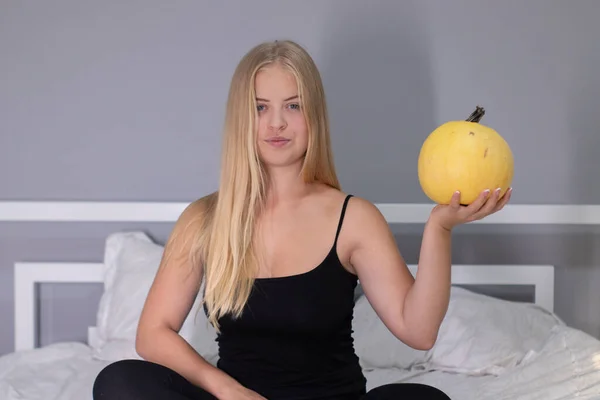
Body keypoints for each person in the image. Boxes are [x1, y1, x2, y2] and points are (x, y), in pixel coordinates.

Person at [92, 39, 511, 400]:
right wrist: (225, 389)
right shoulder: (204, 219)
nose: (276, 122)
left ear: (313, 115)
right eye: (260, 107)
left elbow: (418, 332)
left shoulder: (354, 218)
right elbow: (153, 334)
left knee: (424, 398)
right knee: (120, 382)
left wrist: (438, 229)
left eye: (292, 105)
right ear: (243, 118)